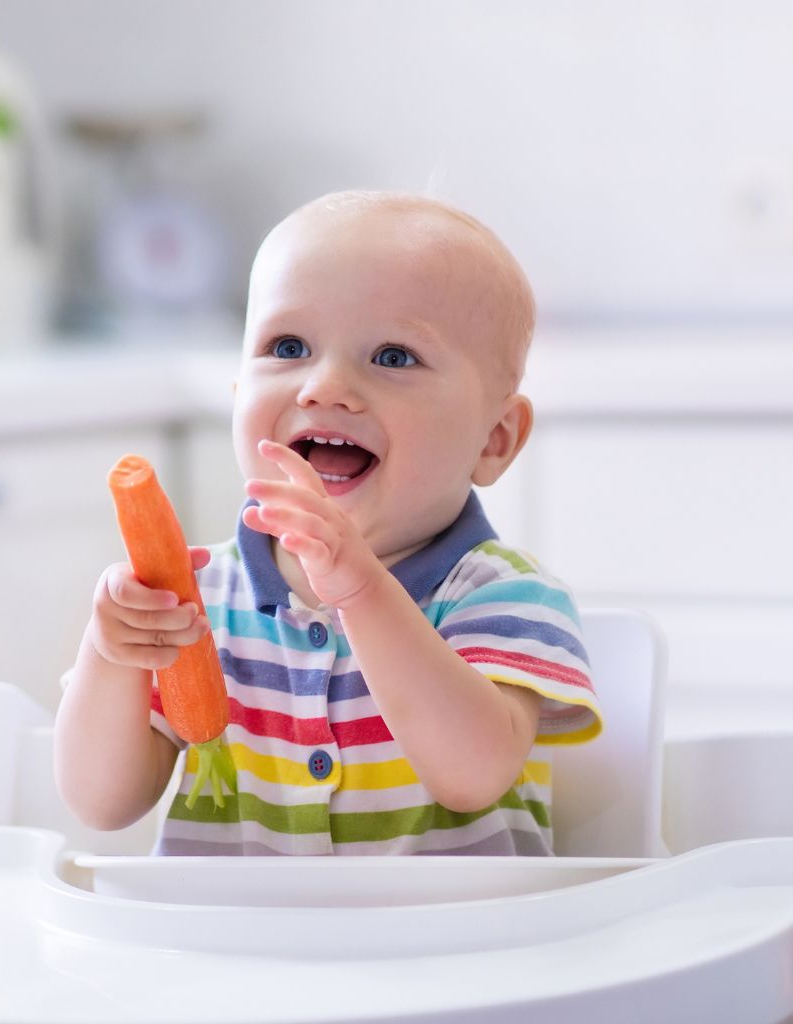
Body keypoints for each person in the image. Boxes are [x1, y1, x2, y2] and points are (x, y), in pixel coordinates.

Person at [54, 190, 603, 856]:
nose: (324, 386)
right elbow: (100, 804)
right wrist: (112, 656)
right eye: (288, 346)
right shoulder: (198, 600)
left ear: (493, 440)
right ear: (237, 398)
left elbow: (472, 775)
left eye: (393, 357)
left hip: (445, 952)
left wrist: (361, 591)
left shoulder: (503, 597)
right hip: (234, 953)